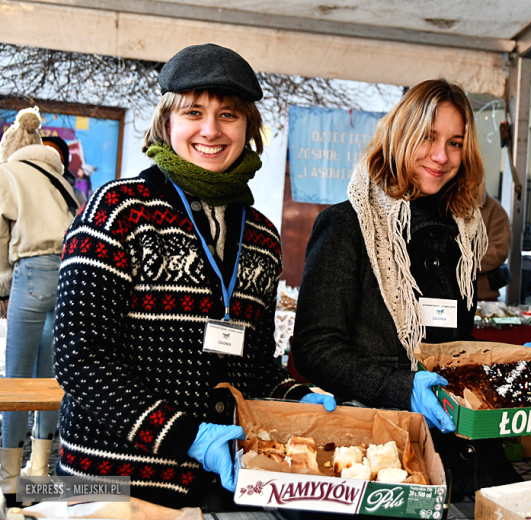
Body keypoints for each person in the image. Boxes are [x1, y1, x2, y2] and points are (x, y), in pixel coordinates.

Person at [51, 43, 335, 510]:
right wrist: (187, 435)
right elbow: (79, 357)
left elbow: (254, 367)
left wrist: (293, 397)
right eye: (193, 112)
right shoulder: (116, 211)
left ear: (248, 128)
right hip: (109, 484)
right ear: (167, 122)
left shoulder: (262, 236)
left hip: (217, 485)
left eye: (228, 115)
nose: (210, 130)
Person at [293, 79, 527, 497]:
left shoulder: (464, 234)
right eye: (428, 137)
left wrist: (507, 366)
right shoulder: (348, 225)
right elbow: (315, 349)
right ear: (400, 135)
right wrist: (402, 387)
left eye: (455, 143)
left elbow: (453, 347)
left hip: (460, 445)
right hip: (381, 451)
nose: (441, 156)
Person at [0, 107, 78, 494]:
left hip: (30, 271)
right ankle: (39, 470)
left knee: (16, 379)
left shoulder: (7, 172)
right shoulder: (58, 177)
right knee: (50, 379)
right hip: (67, 271)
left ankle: (9, 478)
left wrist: (2, 286)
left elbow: (1, 234)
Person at [477, 195, 511, 301]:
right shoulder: (442, 203)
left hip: (481, 295)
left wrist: (462, 262)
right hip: (439, 295)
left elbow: (499, 251)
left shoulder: (492, 208)